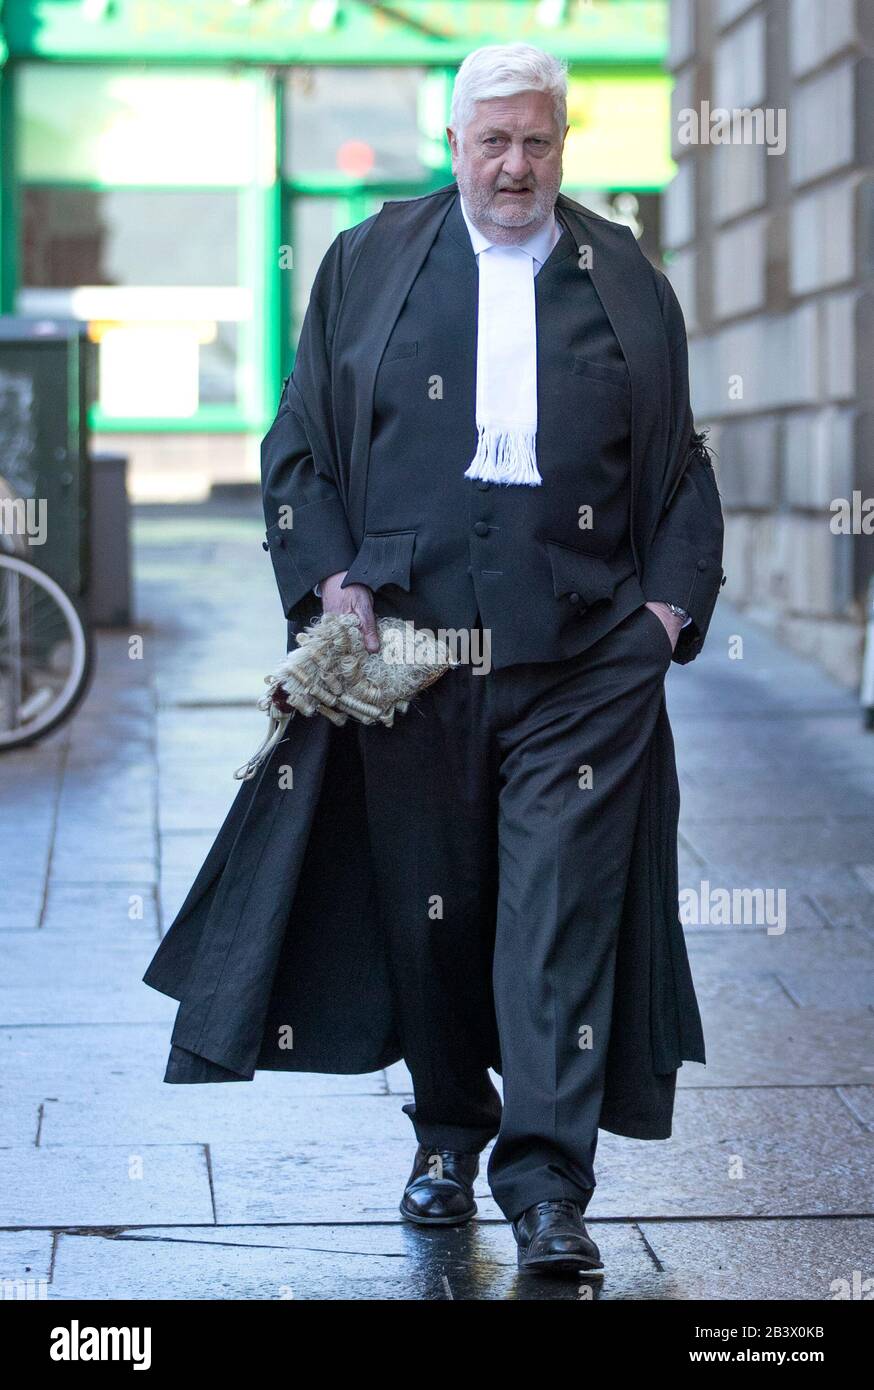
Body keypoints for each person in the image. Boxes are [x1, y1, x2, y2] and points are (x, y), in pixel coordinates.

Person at [144, 42, 724, 1280]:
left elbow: (680, 463)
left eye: (538, 141)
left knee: (556, 917)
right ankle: (448, 1135)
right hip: (406, 656)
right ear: (452, 142)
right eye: (493, 140)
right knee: (433, 920)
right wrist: (330, 582)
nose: (515, 165)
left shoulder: (619, 273)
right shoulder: (369, 261)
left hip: (582, 662)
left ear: (564, 147)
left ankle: (548, 1184)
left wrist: (664, 620)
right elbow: (298, 435)